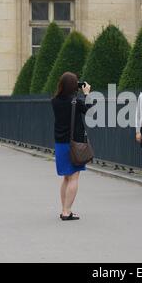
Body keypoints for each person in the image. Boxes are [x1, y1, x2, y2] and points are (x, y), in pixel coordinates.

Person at [51, 72, 92, 221]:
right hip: (74, 143)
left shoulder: (54, 101)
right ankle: (67, 212)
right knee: (74, 177)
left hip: (60, 143)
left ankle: (64, 209)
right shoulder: (76, 101)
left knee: (66, 178)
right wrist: (86, 94)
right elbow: (90, 110)